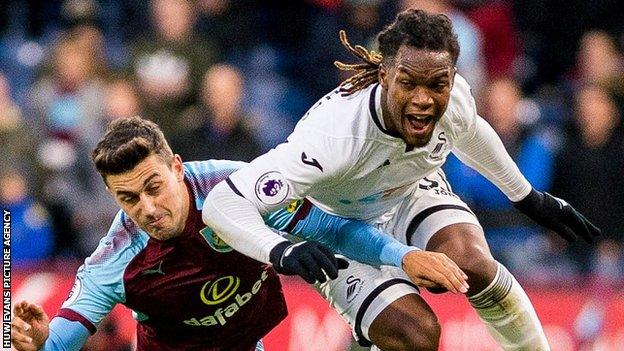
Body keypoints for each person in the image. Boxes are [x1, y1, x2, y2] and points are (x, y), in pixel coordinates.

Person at [202, 9, 601, 351]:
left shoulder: (453, 95)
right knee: (416, 333)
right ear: (384, 75)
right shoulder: (334, 138)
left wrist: (526, 197)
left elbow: (470, 131)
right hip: (337, 227)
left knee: (473, 263)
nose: (423, 99)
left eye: (437, 84)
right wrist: (280, 252)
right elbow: (223, 203)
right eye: (408, 83)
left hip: (410, 191)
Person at [11, 116, 466, 351]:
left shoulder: (239, 187)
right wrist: (30, 345)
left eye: (154, 187)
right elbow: (63, 336)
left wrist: (401, 255)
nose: (147, 209)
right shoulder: (117, 258)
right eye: (128, 199)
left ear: (176, 167)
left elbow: (328, 228)